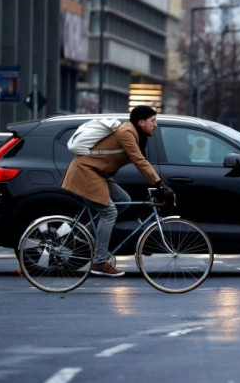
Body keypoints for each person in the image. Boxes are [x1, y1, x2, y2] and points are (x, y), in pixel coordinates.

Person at [61, 106, 174, 277]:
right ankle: (99, 262)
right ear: (141, 122)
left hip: (98, 174)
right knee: (109, 212)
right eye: (153, 121)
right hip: (86, 172)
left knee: (123, 199)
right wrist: (159, 184)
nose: (156, 125)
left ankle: (83, 235)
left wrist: (159, 183)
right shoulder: (126, 133)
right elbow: (139, 161)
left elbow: (142, 161)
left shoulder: (136, 134)